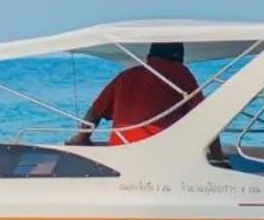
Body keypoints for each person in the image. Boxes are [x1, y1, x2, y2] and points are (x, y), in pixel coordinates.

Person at [68, 41, 201, 146]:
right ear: (179, 57)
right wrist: (217, 156)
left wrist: (81, 138)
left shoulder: (125, 76)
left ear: (150, 56)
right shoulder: (181, 74)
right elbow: (204, 114)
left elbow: (94, 113)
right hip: (159, 150)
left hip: (120, 149)